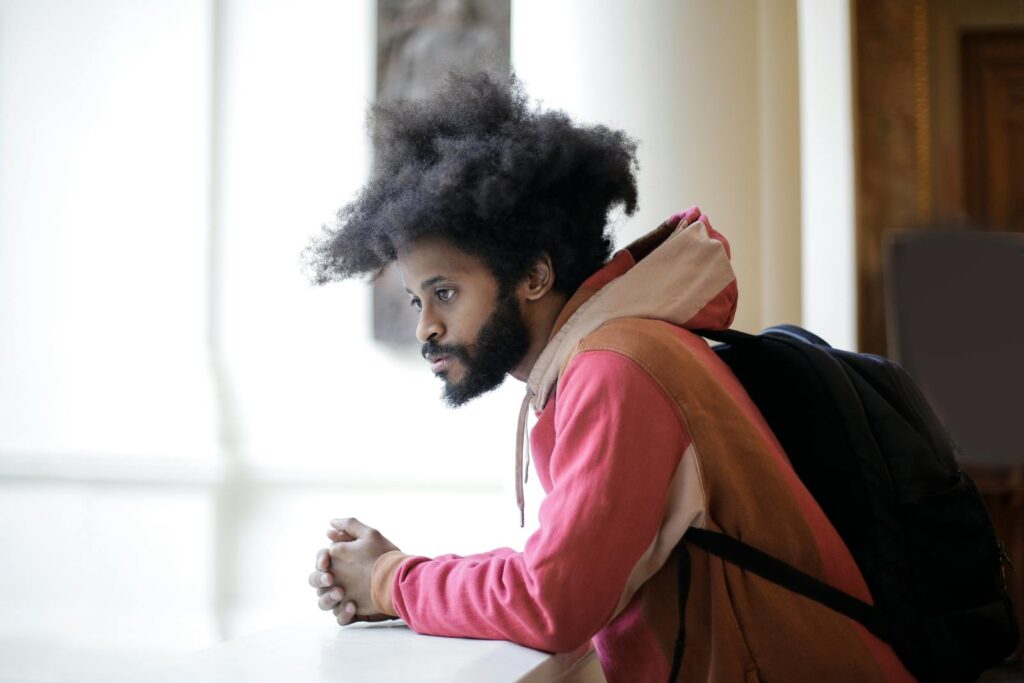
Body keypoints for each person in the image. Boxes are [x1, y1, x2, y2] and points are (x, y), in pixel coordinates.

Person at [304, 72, 914, 682]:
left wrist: (391, 581)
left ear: (534, 278)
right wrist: (397, 571)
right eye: (417, 301)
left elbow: (554, 600)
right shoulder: (614, 355)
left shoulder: (617, 370)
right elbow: (565, 569)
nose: (426, 328)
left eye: (445, 293)